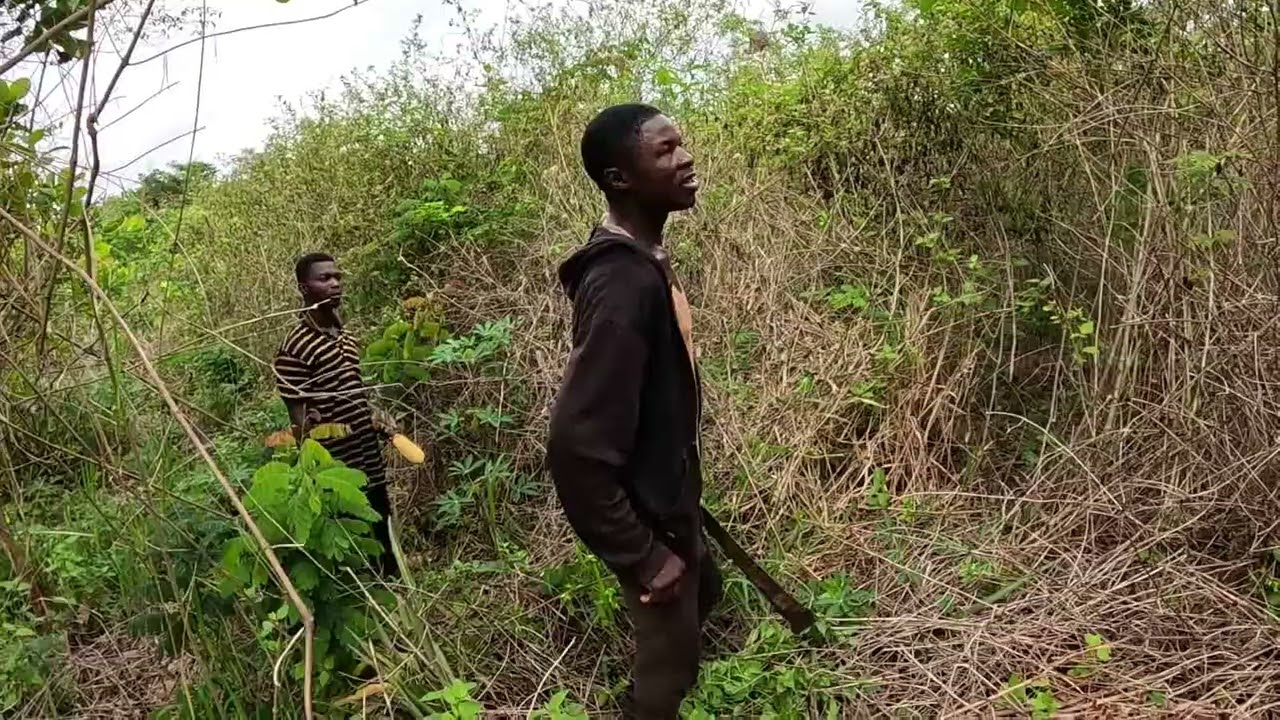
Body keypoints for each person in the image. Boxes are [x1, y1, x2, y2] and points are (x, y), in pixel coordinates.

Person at [547, 104, 721, 718]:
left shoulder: (643, 261)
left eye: (684, 143)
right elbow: (574, 448)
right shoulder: (623, 285)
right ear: (620, 178)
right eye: (666, 150)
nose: (687, 157)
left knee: (704, 600)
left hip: (667, 498)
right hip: (649, 519)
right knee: (667, 674)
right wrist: (643, 554)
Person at [273, 252, 400, 578]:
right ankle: (370, 595)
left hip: (367, 452)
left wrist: (374, 420)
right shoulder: (294, 347)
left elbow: (351, 393)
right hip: (337, 463)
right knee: (354, 534)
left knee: (381, 521)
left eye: (337, 277)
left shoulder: (345, 338)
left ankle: (396, 582)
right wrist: (317, 461)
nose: (334, 284)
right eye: (324, 278)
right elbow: (298, 421)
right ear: (304, 287)